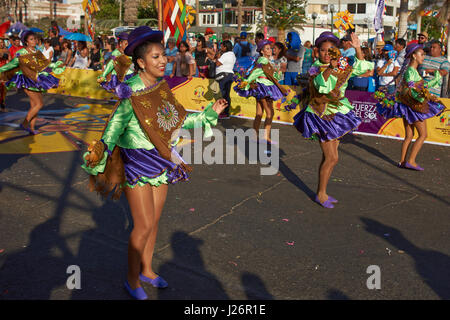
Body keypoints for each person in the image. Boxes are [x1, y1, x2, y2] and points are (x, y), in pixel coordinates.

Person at [81, 26, 227, 300]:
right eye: (157, 56)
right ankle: (131, 279)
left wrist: (209, 113)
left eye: (163, 56)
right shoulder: (131, 90)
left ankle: (147, 269)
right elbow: (114, 125)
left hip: (162, 158)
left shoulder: (161, 87)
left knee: (155, 220)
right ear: (140, 62)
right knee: (143, 225)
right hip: (136, 161)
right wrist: (102, 149)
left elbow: (177, 121)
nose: (163, 61)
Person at [292, 31, 374, 208]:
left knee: (331, 157)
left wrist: (358, 48)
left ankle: (322, 192)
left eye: (331, 50)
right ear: (317, 51)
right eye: (323, 50)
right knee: (331, 158)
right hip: (322, 115)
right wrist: (331, 67)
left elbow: (364, 69)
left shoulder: (341, 64)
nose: (326, 54)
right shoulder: (315, 68)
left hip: (337, 113)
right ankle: (320, 194)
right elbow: (322, 86)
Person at [375, 43, 445, 170]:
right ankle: (411, 161)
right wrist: (425, 96)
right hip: (415, 107)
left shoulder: (411, 71)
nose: (423, 57)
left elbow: (421, 87)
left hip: (409, 107)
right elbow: (414, 91)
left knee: (409, 135)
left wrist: (436, 79)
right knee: (423, 135)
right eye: (422, 54)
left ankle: (402, 161)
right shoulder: (411, 72)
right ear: (414, 55)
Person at [0, 31, 64, 134]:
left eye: (35, 39)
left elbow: (44, 64)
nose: (34, 41)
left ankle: (32, 128)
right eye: (31, 39)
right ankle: (24, 124)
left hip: (36, 79)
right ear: (26, 42)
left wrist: (55, 65)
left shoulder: (36, 52)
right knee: (39, 104)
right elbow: (12, 64)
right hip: (26, 80)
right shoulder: (22, 53)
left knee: (34, 105)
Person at [234, 39, 287, 144]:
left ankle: (255, 136)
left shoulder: (265, 61)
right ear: (262, 51)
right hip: (265, 88)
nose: (270, 50)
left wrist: (278, 73)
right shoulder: (263, 61)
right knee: (270, 113)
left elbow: (270, 74)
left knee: (259, 113)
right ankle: (265, 136)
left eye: (270, 48)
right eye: (267, 49)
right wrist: (246, 81)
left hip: (261, 86)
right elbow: (257, 72)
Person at [214, 40, 236, 119]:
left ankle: (224, 113)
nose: (221, 48)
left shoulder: (226, 55)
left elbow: (217, 63)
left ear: (225, 47)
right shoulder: (232, 54)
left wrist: (218, 57)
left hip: (224, 76)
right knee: (226, 94)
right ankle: (225, 112)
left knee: (223, 94)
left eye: (222, 46)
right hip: (228, 75)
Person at [0, 38, 10, 111]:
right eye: (0, 42)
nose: (1, 44)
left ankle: (2, 101)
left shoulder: (6, 50)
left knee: (4, 88)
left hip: (4, 70)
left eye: (2, 42)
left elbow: (10, 59)